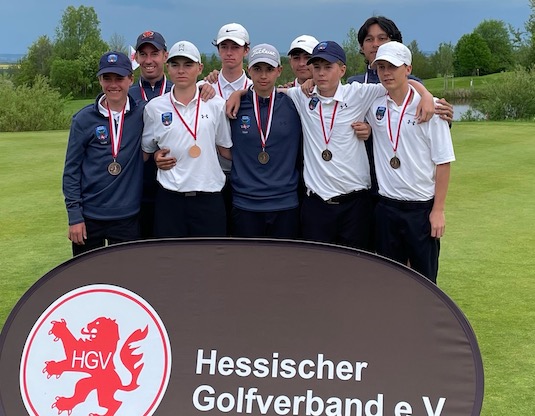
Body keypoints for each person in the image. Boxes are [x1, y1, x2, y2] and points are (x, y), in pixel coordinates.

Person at [228, 40, 435, 250]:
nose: (321, 73)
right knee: (317, 266)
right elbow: (268, 91)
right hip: (316, 204)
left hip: (355, 204)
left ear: (342, 70)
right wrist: (239, 93)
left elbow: (396, 82)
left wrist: (425, 95)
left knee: (355, 264)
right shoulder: (302, 96)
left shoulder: (359, 93)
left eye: (328, 67)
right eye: (316, 67)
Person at [365, 41, 455, 283]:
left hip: (420, 209)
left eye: (392, 67)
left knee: (424, 282)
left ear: (408, 68)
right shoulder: (374, 105)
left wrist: (438, 210)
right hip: (386, 207)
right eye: (381, 67)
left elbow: (443, 162)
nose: (386, 73)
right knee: (389, 281)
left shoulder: (432, 108)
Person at [141, 41, 232, 238]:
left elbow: (225, 149)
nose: (181, 70)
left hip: (209, 199)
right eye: (175, 65)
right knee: (171, 256)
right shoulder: (154, 108)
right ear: (168, 67)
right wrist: (156, 156)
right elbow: (146, 151)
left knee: (212, 256)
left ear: (200, 68)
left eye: (188, 65)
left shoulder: (216, 105)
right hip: (170, 199)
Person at [63, 51, 144, 256]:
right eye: (107, 78)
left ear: (130, 79)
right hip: (89, 217)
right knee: (88, 275)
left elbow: (177, 98)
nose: (113, 84)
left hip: (127, 217)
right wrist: (74, 217)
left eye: (119, 78)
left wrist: (204, 85)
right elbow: (71, 171)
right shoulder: (83, 119)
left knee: (127, 274)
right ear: (100, 80)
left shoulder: (143, 113)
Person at [229, 43, 302, 238]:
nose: (263, 75)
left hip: (285, 203)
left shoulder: (294, 104)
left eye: (269, 69)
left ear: (279, 70)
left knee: (283, 257)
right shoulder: (233, 106)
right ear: (248, 70)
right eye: (257, 69)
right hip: (246, 203)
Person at [129, 30, 173, 240]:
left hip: (172, 188)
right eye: (143, 54)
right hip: (134, 189)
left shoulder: (180, 91)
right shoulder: (126, 94)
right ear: (136, 58)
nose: (148, 60)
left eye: (154, 53)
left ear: (165, 56)